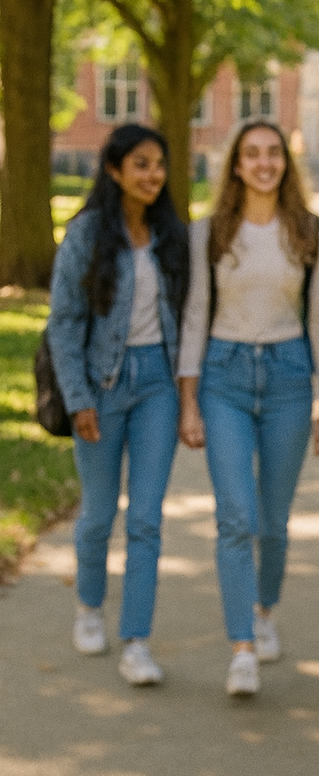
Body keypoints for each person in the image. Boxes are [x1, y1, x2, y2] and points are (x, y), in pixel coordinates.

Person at [177, 121, 319, 697]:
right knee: (235, 517)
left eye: (274, 154)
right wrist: (188, 399)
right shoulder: (211, 231)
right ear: (237, 165)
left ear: (285, 165)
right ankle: (241, 646)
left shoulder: (309, 230)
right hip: (223, 376)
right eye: (252, 154)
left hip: (290, 376)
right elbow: (195, 312)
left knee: (273, 521)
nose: (264, 163)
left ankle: (265, 609)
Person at [47, 124, 189, 686]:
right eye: (140, 164)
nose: (152, 175)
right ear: (113, 170)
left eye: (159, 164)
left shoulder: (170, 234)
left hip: (156, 381)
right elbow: (64, 323)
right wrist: (78, 397)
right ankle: (88, 605)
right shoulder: (85, 234)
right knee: (99, 514)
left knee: (147, 518)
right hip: (100, 385)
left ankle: (137, 641)